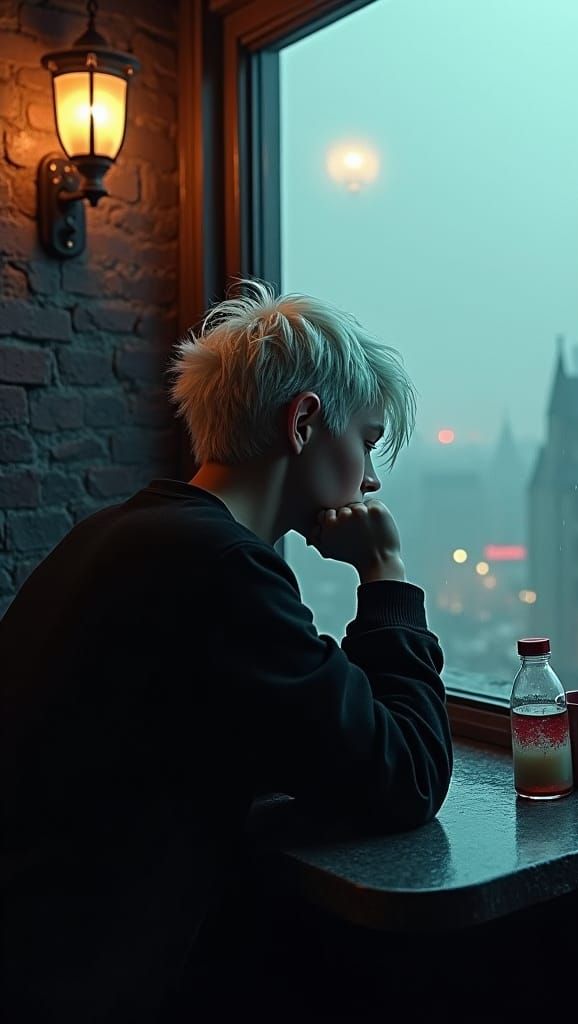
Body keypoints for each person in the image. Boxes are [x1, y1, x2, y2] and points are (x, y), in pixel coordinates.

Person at [0, 280, 453, 1021]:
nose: (371, 480)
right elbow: (407, 776)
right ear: (304, 421)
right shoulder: (219, 569)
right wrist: (386, 578)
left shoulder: (113, 533)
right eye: (367, 442)